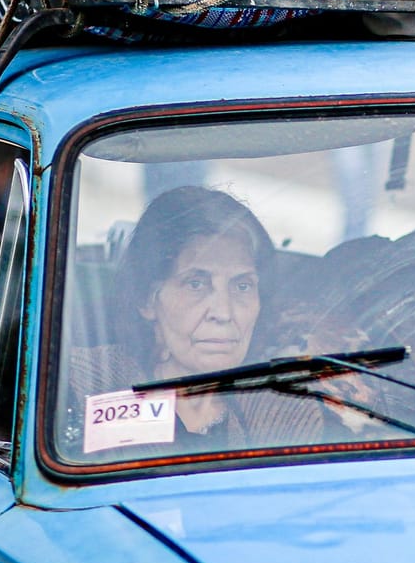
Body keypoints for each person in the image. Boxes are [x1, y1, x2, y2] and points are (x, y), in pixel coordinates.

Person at [71, 185, 325, 448]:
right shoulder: (86, 383)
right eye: (196, 284)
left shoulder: (286, 414)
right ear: (147, 299)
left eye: (242, 286)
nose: (223, 313)